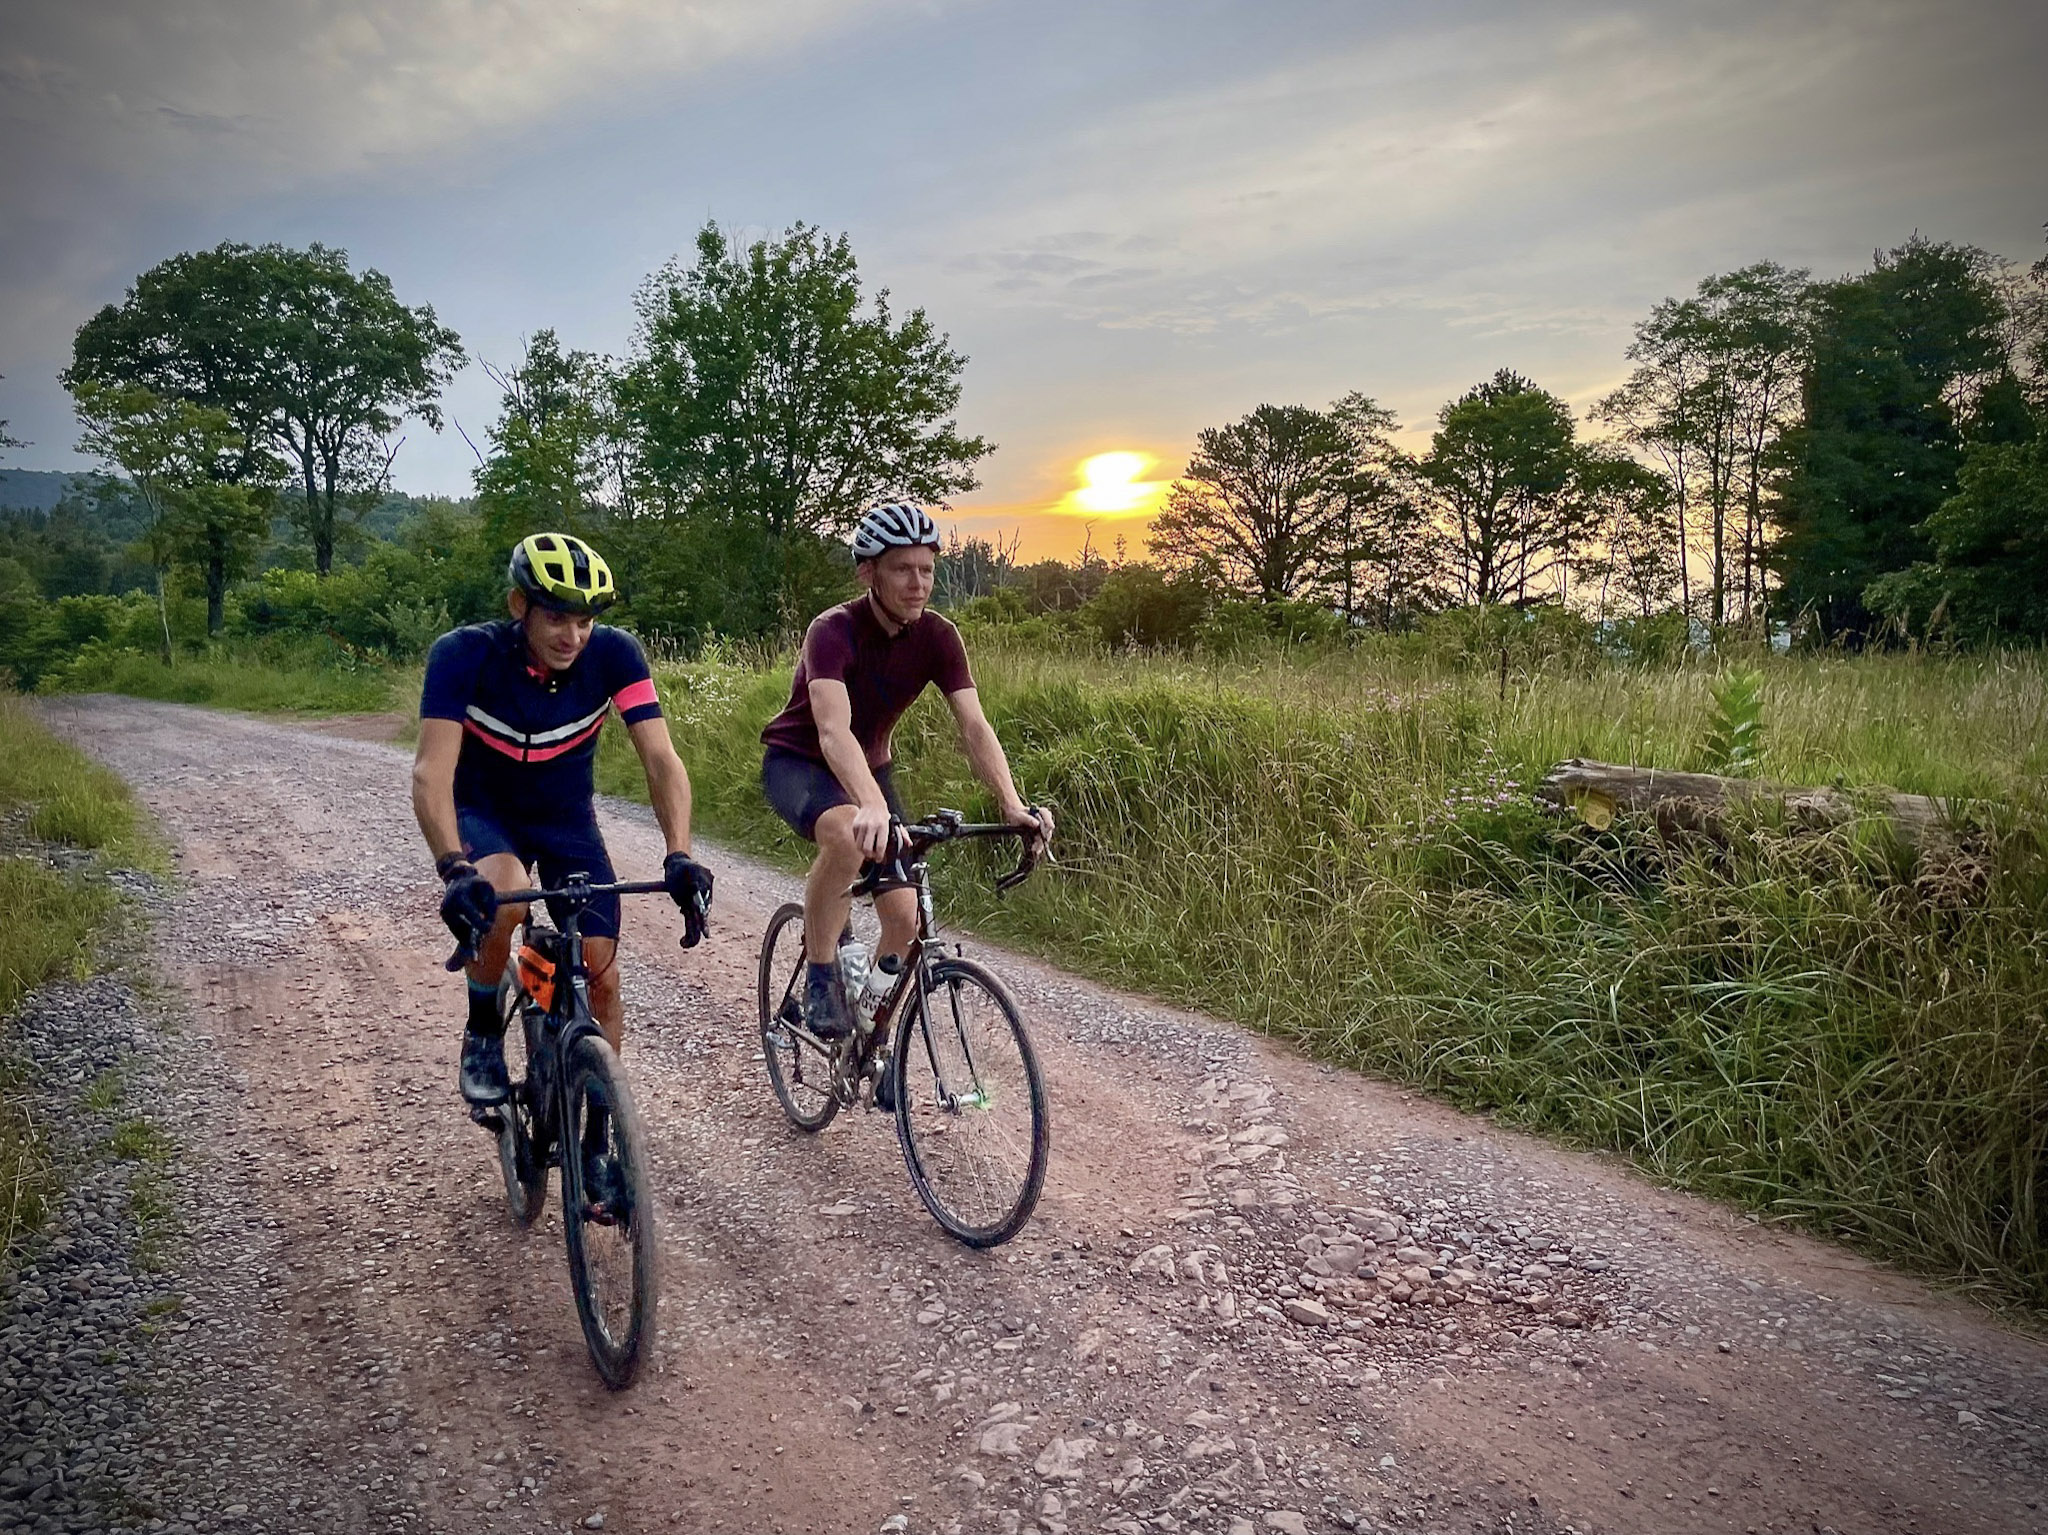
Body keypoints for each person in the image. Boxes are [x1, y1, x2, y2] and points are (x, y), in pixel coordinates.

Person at [411, 532, 714, 1149]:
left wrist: (680, 852)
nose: (572, 636)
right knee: (507, 893)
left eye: (584, 620)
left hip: (566, 819)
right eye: (556, 616)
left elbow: (660, 758)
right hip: (484, 811)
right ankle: (482, 1032)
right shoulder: (463, 655)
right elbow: (430, 772)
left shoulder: (616, 656)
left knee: (599, 975)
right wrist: (451, 866)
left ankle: (601, 1141)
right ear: (519, 606)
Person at [758, 501, 1052, 1083]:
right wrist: (868, 803)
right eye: (902, 570)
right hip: (801, 764)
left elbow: (973, 723)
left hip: (870, 772)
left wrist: (1012, 804)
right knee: (846, 836)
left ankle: (872, 1034)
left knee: (905, 919)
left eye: (927, 569)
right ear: (868, 572)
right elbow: (832, 729)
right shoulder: (832, 631)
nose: (918, 584)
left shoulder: (939, 637)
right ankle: (821, 975)